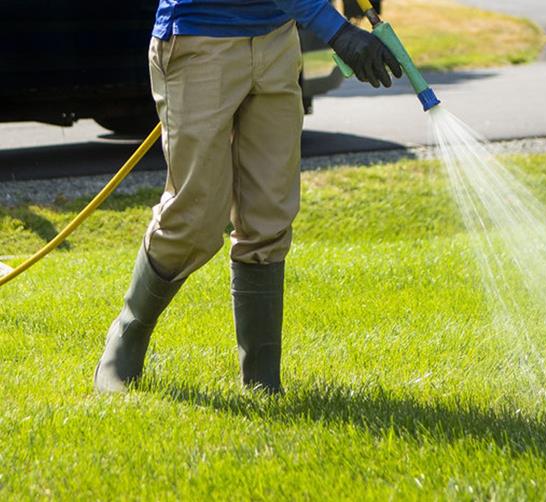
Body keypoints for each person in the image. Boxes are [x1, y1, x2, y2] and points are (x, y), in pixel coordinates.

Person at [94, 0, 401, 394]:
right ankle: (128, 333)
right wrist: (337, 31)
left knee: (269, 214)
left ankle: (261, 378)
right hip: (200, 40)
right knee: (195, 217)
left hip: (276, 41)